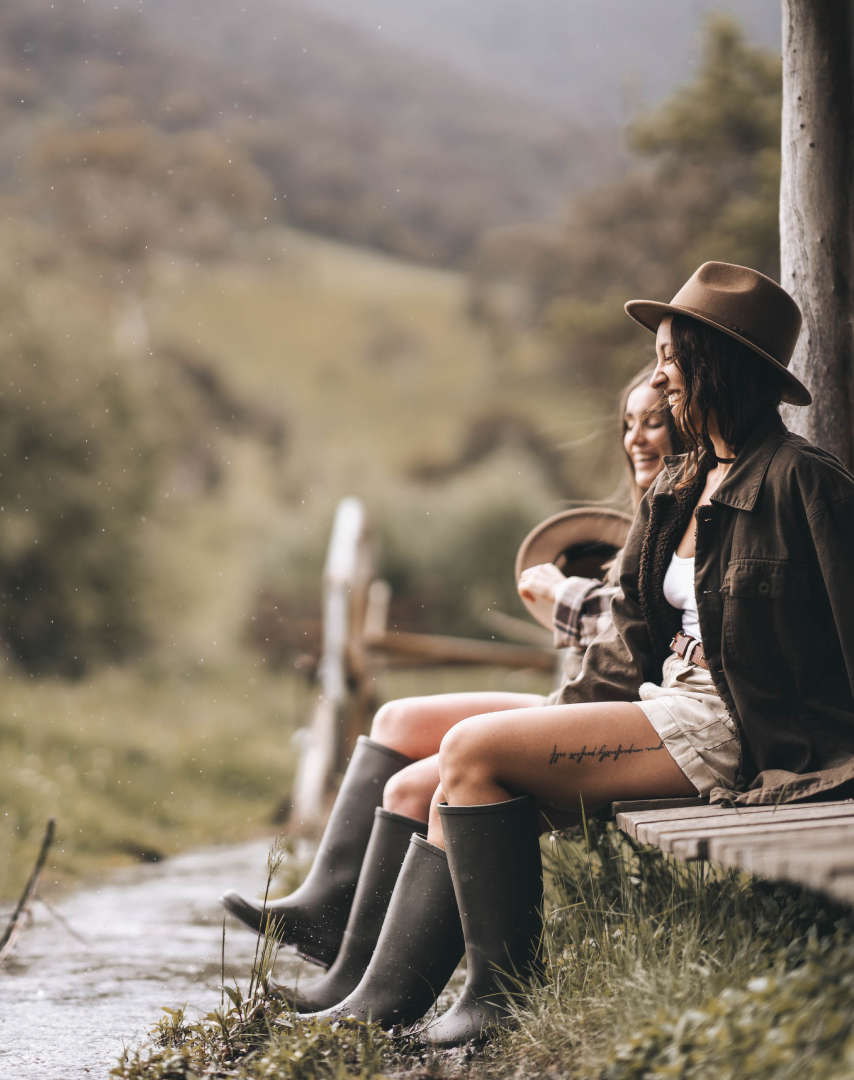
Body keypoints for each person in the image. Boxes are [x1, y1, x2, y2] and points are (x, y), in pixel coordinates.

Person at [303, 261, 854, 1047]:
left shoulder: (804, 482)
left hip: (738, 728)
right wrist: (564, 722)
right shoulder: (683, 481)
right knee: (436, 784)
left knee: (470, 752)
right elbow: (631, 631)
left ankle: (491, 1004)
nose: (660, 381)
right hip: (666, 706)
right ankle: (376, 1006)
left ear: (715, 365)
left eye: (671, 359)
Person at [220, 368, 680, 1008]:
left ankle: (369, 984)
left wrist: (561, 595)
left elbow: (649, 627)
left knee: (416, 783)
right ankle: (338, 938)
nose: (636, 438)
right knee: (398, 721)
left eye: (654, 420)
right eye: (628, 423)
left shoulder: (687, 517)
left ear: (689, 422)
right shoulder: (648, 517)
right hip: (595, 698)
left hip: (628, 715)